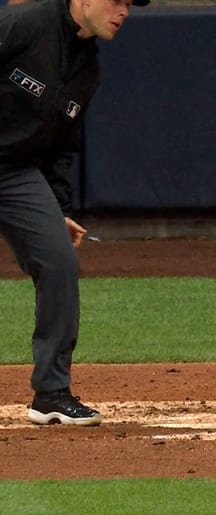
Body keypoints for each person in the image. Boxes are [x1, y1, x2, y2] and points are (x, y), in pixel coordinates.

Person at [0, 0, 148, 426]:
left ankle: (50, 393)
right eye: (117, 0)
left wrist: (58, 208)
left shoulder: (88, 69)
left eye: (130, 5)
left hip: (14, 173)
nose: (124, 12)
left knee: (59, 261)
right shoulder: (24, 23)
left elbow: (62, 145)